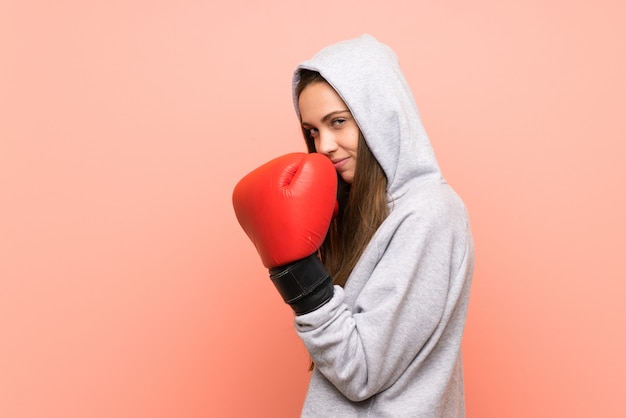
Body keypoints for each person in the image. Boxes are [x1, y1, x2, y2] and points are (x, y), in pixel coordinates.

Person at [233, 34, 474, 417]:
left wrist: (297, 274)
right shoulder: (374, 211)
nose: (324, 145)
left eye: (338, 122)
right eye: (313, 130)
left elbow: (360, 371)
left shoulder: (429, 213)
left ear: (381, 114)